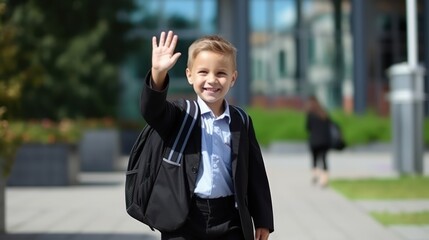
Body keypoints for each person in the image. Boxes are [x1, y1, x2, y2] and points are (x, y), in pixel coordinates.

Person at [140, 30, 274, 240]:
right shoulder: (179, 114)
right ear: (189, 75)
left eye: (221, 73)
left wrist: (263, 219)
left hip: (229, 219)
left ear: (233, 78)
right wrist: (158, 73)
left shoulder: (241, 121)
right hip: (184, 218)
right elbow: (152, 111)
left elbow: (256, 174)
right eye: (203, 72)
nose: (212, 80)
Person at [305, 95, 331, 187]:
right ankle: (324, 180)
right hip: (325, 141)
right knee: (324, 159)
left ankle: (315, 174)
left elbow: (308, 128)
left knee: (314, 159)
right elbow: (329, 125)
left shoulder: (310, 114)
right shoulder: (324, 113)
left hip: (314, 140)